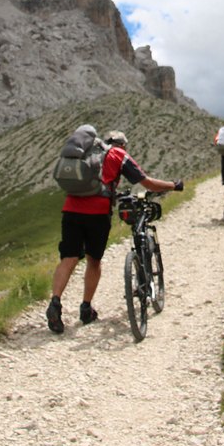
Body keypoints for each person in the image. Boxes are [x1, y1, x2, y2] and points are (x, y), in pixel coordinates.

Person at [46, 129, 183, 334]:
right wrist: (174, 185)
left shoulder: (87, 152)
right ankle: (86, 308)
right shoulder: (118, 155)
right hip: (97, 214)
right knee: (94, 260)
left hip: (71, 210)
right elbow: (147, 182)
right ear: (123, 145)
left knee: (68, 258)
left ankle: (55, 303)